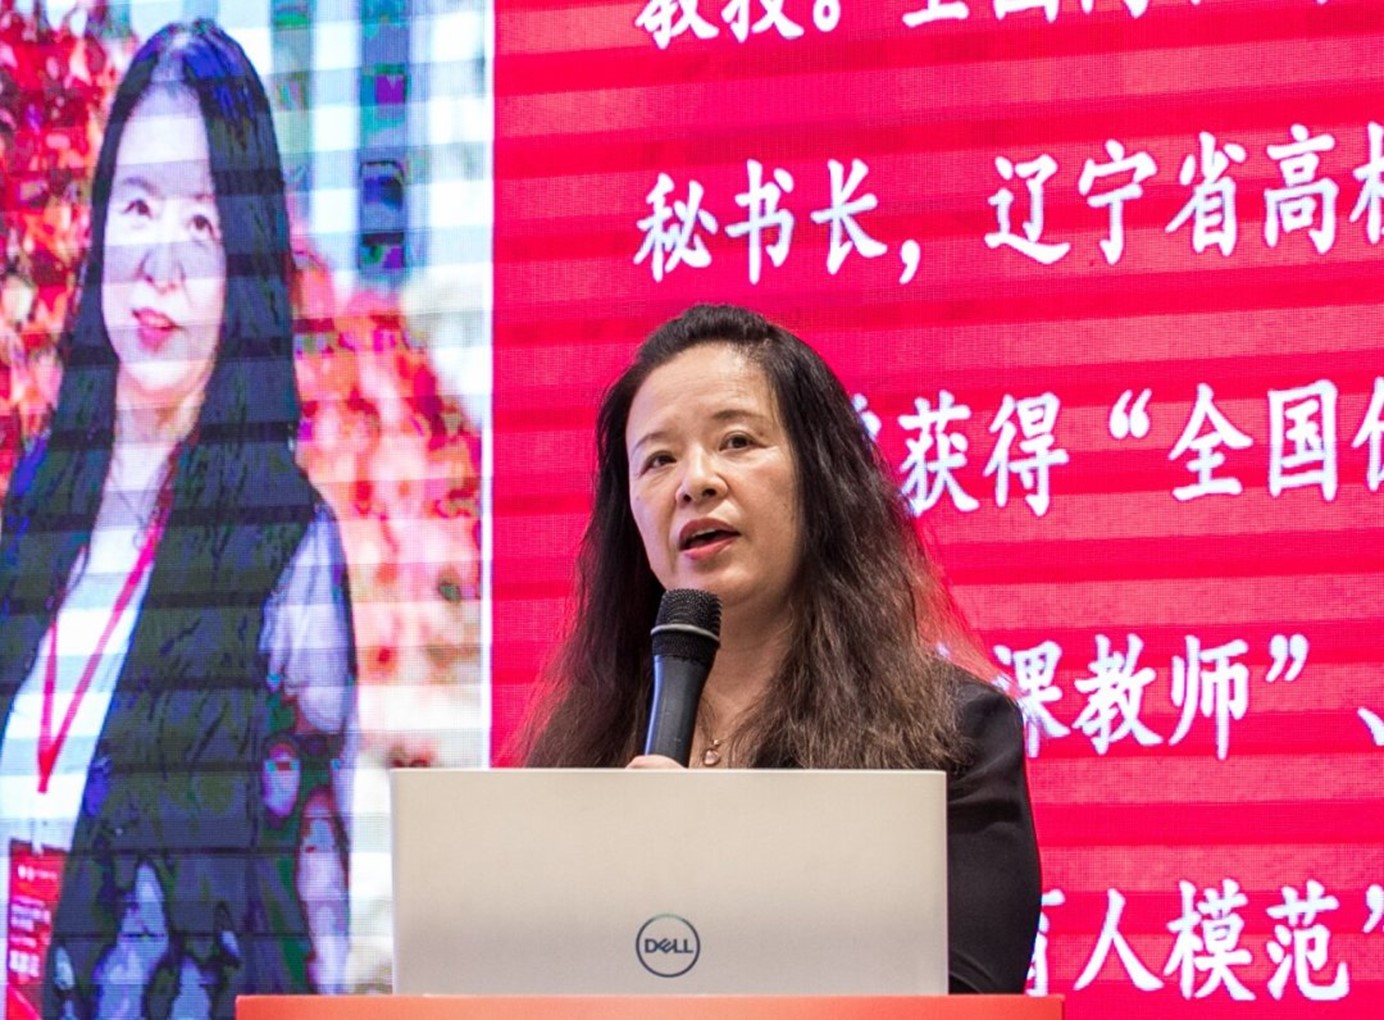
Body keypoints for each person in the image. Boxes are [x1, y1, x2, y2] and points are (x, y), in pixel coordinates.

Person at [523, 303, 1040, 993]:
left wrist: (707, 867)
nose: (695, 481)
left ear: (819, 478)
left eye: (736, 441)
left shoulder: (955, 736)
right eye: (659, 459)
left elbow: (968, 999)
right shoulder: (579, 752)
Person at [0, 21, 355, 1018]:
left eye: (203, 222)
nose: (161, 261)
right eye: (140, 205)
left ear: (245, 262)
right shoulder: (33, 512)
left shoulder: (284, 544)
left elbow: (311, 926)